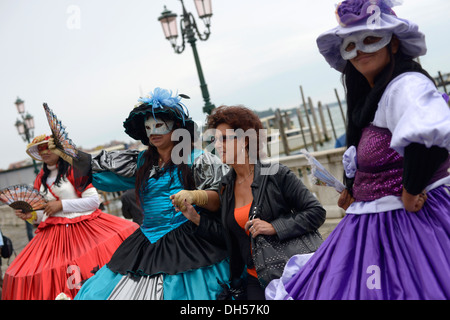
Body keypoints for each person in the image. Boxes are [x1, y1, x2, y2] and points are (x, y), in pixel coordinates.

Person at [266, 0, 450, 300]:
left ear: (393, 44)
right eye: (351, 45)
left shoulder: (405, 85)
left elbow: (429, 134)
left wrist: (412, 188)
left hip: (408, 228)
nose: (360, 50)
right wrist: (354, 189)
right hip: (372, 228)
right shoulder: (373, 97)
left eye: (370, 39)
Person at [74, 88, 230, 300]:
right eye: (148, 127)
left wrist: (195, 196)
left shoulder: (198, 159)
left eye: (159, 125)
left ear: (176, 127)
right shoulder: (141, 163)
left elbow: (220, 198)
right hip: (146, 241)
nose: (153, 132)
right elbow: (102, 174)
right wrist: (69, 156)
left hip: (188, 241)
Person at [202, 105, 326, 300]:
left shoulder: (276, 174)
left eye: (224, 138)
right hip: (256, 280)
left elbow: (316, 211)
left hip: (294, 276)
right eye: (215, 140)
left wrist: (274, 227)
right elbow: (228, 237)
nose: (217, 145)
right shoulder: (225, 186)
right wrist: (194, 218)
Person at [1, 135, 138, 300]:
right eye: (40, 150)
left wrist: (62, 205)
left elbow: (94, 201)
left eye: (48, 147)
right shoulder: (40, 179)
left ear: (58, 149)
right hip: (53, 236)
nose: (44, 152)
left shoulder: (74, 170)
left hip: (85, 229)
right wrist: (30, 216)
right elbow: (43, 213)